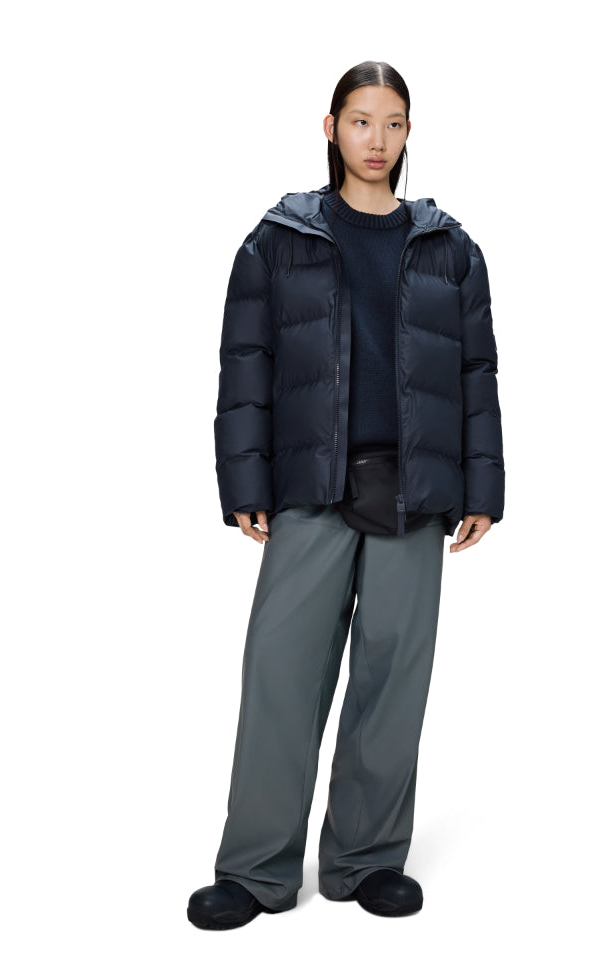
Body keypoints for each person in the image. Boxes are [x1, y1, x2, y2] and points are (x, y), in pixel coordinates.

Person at [188, 60, 505, 930]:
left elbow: (476, 375)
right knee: (281, 675)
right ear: (330, 128)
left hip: (415, 490)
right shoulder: (278, 240)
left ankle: (366, 860)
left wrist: (481, 485)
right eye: (361, 121)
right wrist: (245, 482)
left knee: (392, 682)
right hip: (310, 487)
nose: (377, 139)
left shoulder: (450, 249)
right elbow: (244, 367)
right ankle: (256, 870)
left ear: (409, 133)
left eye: (393, 123)